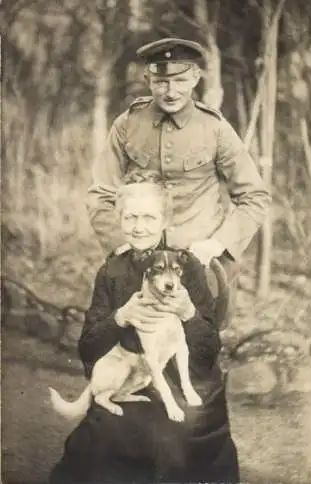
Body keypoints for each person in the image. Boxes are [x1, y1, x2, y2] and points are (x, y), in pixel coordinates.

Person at [50, 170, 240, 484]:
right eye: (131, 217)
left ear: (165, 220)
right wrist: (120, 317)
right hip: (130, 379)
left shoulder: (187, 265)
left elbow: (208, 351)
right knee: (102, 437)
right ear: (119, 219)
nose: (139, 227)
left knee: (170, 440)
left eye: (150, 218)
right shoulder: (111, 270)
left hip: (183, 382)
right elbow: (88, 347)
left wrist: (188, 312)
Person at [86, 37, 271, 323]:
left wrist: (218, 244)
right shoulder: (127, 124)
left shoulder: (215, 128)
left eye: (181, 80)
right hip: (140, 264)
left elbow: (255, 197)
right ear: (147, 80)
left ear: (196, 77)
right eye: (161, 82)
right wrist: (120, 244)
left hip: (201, 264)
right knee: (132, 350)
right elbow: (101, 193)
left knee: (198, 353)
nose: (171, 91)